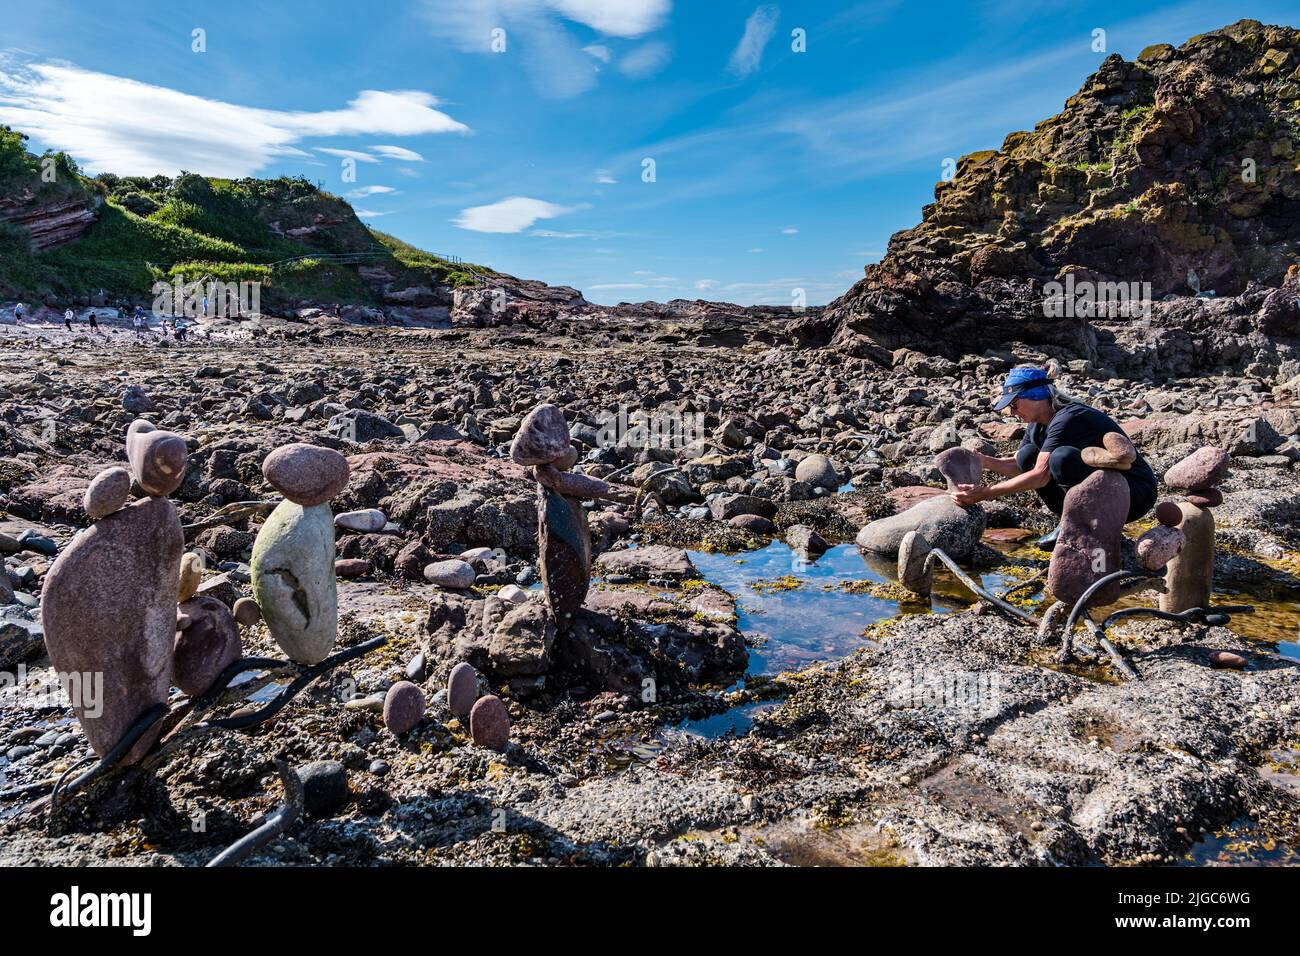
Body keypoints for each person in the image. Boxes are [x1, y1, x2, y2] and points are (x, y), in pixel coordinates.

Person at [951, 365, 1157, 548]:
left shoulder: (1068, 417)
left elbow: (1040, 475)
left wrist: (987, 493)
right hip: (1111, 490)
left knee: (1061, 458)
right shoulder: (1037, 424)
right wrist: (984, 462)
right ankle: (1071, 521)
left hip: (1135, 493)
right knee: (1027, 455)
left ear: (1036, 396)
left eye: (1014, 404)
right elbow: (1021, 466)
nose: (1012, 412)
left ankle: (1077, 524)